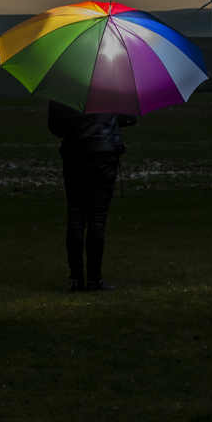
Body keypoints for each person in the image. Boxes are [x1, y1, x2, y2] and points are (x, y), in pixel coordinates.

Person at [48, 100, 137, 291]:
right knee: (97, 218)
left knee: (76, 215)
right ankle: (94, 279)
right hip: (105, 154)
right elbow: (130, 117)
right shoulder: (113, 85)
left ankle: (76, 280)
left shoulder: (62, 85)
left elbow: (54, 127)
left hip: (74, 155)